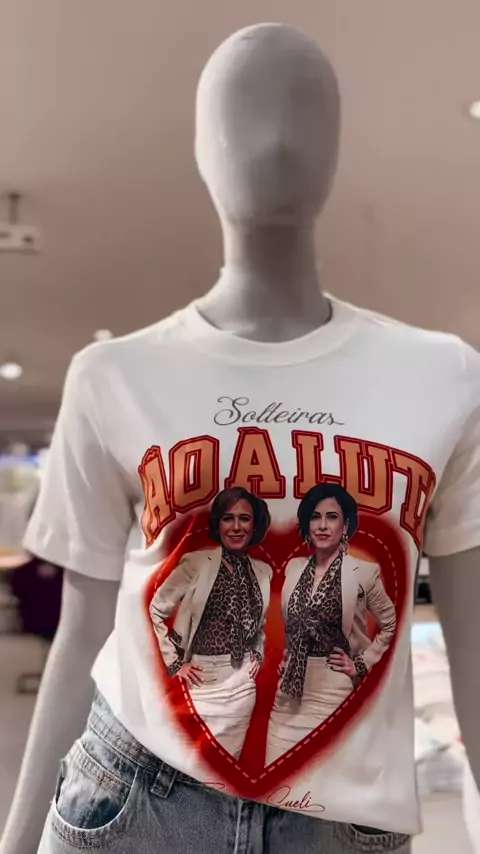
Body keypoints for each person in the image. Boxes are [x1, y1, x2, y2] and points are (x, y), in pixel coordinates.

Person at [3, 23, 480, 854]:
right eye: (239, 113)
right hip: (137, 796)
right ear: (199, 147)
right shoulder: (114, 375)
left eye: (306, 111)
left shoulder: (444, 376)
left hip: (341, 816)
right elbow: (83, 630)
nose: (274, 136)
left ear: (337, 146)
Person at [266, 484, 396, 765]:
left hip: (332, 691)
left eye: (332, 517)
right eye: (315, 517)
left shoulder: (363, 572)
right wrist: (290, 656)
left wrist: (360, 665)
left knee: (321, 780)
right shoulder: (294, 567)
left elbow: (390, 624)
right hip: (288, 694)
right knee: (277, 778)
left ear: (345, 525)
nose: (323, 525)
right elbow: (293, 625)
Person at [149, 487, 272, 758]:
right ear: (218, 524)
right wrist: (175, 663)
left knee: (224, 768)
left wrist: (257, 653)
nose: (236, 527)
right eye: (228, 518)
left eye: (244, 518)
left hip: (242, 683)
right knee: (187, 764)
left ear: (254, 525)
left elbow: (259, 625)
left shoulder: (263, 572)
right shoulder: (196, 563)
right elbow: (157, 608)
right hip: (201, 680)